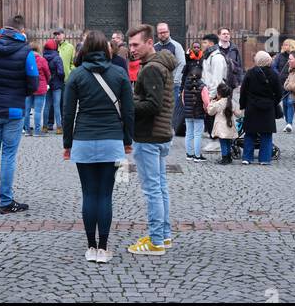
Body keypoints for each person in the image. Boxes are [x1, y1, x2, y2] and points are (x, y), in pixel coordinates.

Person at [62, 29, 134, 262]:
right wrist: (127, 140)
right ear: (107, 48)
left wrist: (67, 143)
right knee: (105, 195)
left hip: (83, 139)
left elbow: (68, 113)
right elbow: (129, 111)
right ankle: (103, 248)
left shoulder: (76, 75)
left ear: (84, 49)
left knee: (88, 194)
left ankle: (91, 247)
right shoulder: (119, 73)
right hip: (112, 140)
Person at [0, 13, 39, 214]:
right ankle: (5, 201)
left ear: (4, 28)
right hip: (13, 109)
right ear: (21, 31)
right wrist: (20, 91)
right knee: (8, 156)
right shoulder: (26, 51)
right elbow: (33, 83)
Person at [127, 23, 175, 255]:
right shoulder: (157, 65)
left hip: (149, 135)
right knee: (160, 188)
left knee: (152, 190)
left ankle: (156, 241)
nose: (132, 49)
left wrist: (128, 103)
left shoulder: (151, 69)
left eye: (136, 44)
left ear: (149, 43)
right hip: (160, 134)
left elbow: (153, 105)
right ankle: (163, 236)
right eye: (129, 45)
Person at [239, 50, 282, 164]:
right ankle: (265, 159)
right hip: (268, 108)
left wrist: (242, 105)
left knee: (250, 133)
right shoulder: (274, 74)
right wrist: (273, 103)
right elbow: (279, 93)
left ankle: (247, 158)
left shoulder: (250, 73)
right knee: (266, 134)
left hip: (252, 106)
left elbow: (243, 91)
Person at [180, 43, 207, 161]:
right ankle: (197, 155)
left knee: (189, 133)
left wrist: (187, 107)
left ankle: (189, 154)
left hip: (188, 111)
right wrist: (206, 108)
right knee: (197, 134)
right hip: (198, 111)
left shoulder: (186, 85)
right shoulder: (202, 85)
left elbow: (183, 98)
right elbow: (206, 101)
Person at [206, 80, 241, 164]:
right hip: (229, 126)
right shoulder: (231, 102)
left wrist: (212, 102)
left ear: (219, 94)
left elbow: (210, 112)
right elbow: (238, 114)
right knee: (228, 141)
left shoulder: (218, 103)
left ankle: (225, 158)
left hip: (221, 127)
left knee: (223, 142)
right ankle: (229, 157)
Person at [155, 22, 186, 108]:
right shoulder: (154, 48)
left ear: (169, 32)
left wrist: (175, 81)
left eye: (165, 32)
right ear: (157, 34)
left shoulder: (176, 46)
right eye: (160, 33)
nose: (163, 34)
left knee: (172, 110)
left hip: (172, 85)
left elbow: (182, 64)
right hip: (158, 85)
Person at [23, 43, 50, 135]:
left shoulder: (26, 60)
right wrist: (46, 81)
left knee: (26, 110)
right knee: (38, 111)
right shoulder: (42, 60)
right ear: (38, 50)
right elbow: (47, 73)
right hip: (40, 87)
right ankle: (37, 131)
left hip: (28, 87)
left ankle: (27, 130)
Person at [272, 38, 295, 133]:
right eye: (284, 44)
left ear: (291, 45)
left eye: (286, 44)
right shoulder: (279, 56)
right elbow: (274, 66)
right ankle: (287, 122)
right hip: (282, 82)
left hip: (292, 81)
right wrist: (277, 75)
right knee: (285, 103)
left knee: (290, 102)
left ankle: (289, 123)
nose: (284, 46)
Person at [42, 37, 65, 131]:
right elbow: (61, 73)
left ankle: (45, 126)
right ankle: (59, 127)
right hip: (57, 84)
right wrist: (61, 80)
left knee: (47, 105)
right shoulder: (57, 58)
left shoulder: (43, 57)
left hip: (47, 84)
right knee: (56, 105)